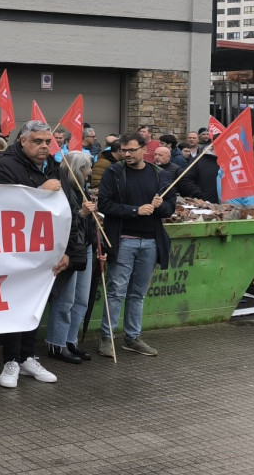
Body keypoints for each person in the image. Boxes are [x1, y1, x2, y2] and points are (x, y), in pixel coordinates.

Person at [0, 120, 63, 388]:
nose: (44, 146)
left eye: (47, 141)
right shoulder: (6, 167)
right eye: (38, 141)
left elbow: (66, 209)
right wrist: (40, 193)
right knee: (15, 305)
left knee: (36, 304)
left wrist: (68, 251)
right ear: (23, 141)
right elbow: (4, 205)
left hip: (44, 250)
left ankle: (27, 357)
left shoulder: (54, 166)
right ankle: (10, 360)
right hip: (15, 250)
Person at [97, 133, 178, 358]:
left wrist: (160, 207)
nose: (127, 154)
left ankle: (133, 338)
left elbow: (170, 207)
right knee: (116, 291)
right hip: (123, 240)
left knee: (138, 294)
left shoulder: (159, 174)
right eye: (123, 150)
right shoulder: (114, 172)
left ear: (145, 149)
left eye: (132, 150)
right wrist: (135, 210)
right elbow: (104, 204)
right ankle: (107, 337)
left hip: (151, 242)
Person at [46, 151, 94, 364]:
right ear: (77, 170)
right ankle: (57, 343)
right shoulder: (64, 192)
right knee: (65, 299)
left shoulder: (82, 189)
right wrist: (82, 214)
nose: (90, 172)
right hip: (70, 249)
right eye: (86, 168)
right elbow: (62, 222)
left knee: (81, 299)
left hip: (85, 247)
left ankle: (70, 340)